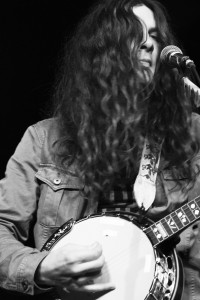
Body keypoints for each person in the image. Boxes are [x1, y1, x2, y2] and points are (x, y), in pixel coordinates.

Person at [0, 0, 200, 299]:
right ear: (102, 50)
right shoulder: (43, 139)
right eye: (133, 34)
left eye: (155, 37)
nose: (147, 44)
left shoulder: (192, 133)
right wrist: (40, 268)